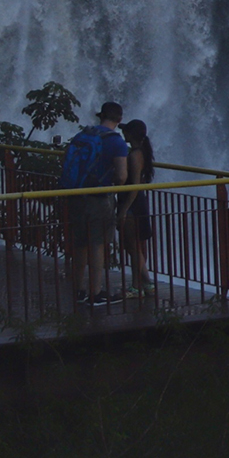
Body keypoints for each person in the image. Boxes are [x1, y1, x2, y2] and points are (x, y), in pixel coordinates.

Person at [64, 101, 129, 307]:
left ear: (100, 116)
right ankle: (95, 292)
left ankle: (77, 290)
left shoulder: (83, 134)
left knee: (80, 243)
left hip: (75, 194)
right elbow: (121, 176)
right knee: (98, 243)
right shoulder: (116, 142)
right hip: (98, 197)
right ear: (119, 120)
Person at [117, 119, 155, 294]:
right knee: (133, 246)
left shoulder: (134, 156)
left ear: (131, 134)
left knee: (132, 246)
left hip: (132, 203)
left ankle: (139, 285)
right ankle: (144, 284)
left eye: (126, 131)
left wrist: (124, 209)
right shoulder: (142, 152)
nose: (123, 134)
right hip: (138, 201)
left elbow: (134, 186)